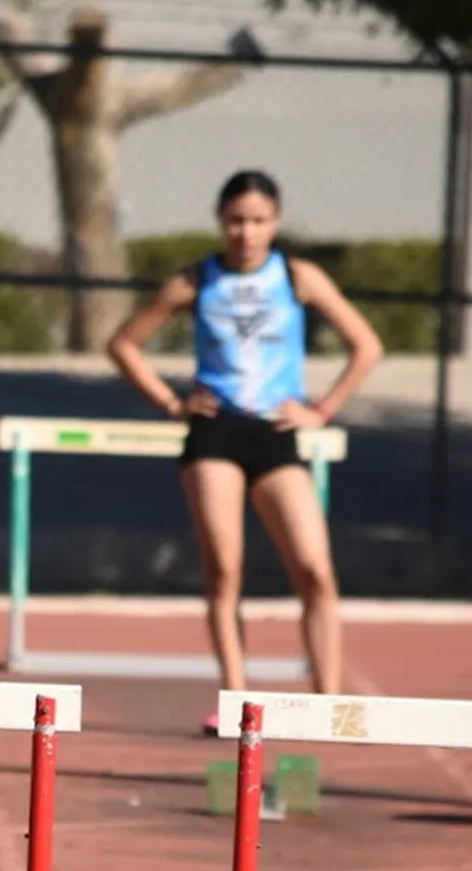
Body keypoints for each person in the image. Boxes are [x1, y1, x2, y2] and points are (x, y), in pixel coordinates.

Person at [106, 170, 383, 734]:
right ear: (220, 221)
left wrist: (322, 408)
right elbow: (124, 343)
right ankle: (236, 698)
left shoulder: (298, 276)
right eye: (236, 220)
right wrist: (171, 402)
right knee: (225, 568)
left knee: (315, 569)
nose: (246, 233)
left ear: (275, 223)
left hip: (276, 433)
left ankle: (326, 702)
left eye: (258, 221)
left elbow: (366, 345)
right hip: (214, 434)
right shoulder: (196, 279)